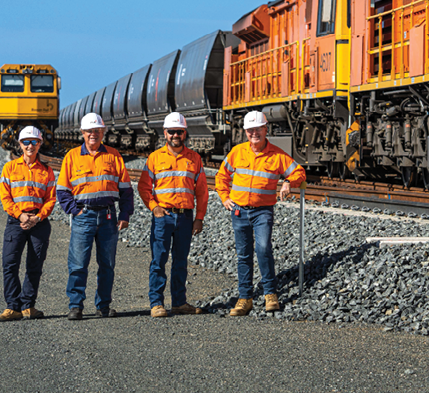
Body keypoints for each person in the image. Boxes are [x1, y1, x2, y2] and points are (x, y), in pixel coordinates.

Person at [215, 110, 304, 316]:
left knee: (263, 249)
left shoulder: (277, 155)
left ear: (266, 130)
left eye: (258, 129)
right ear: (246, 132)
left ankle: (270, 294)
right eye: (250, 130)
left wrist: (289, 182)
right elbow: (222, 176)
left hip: (262, 211)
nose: (254, 133)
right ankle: (245, 298)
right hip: (238, 211)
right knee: (243, 254)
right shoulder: (237, 152)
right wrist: (225, 198)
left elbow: (298, 171)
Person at [56, 112, 133, 320]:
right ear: (82, 133)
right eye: (90, 131)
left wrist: (125, 214)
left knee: (107, 265)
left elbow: (126, 189)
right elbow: (62, 191)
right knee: (78, 264)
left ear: (103, 132)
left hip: (108, 218)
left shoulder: (114, 155)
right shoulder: (72, 156)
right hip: (84, 217)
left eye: (97, 131)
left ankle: (104, 306)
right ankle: (75, 306)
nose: (93, 134)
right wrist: (75, 211)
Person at [137, 112, 208, 318]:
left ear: (184, 133)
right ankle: (157, 303)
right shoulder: (154, 158)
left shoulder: (194, 158)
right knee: (159, 260)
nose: (175, 135)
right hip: (163, 217)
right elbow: (144, 187)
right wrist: (154, 207)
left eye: (179, 131)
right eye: (172, 132)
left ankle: (178, 302)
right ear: (164, 133)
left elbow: (202, 191)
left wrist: (199, 217)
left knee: (180, 261)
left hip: (185, 217)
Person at [0, 126, 56, 321]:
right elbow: (5, 196)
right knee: (9, 263)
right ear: (20, 144)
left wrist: (37, 217)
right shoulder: (9, 168)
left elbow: (51, 199)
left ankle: (28, 306)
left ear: (39, 144)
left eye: (34, 142)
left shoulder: (47, 171)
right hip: (16, 221)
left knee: (35, 265)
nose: (30, 146)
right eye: (26, 142)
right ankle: (12, 306)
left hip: (38, 222)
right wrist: (20, 215)